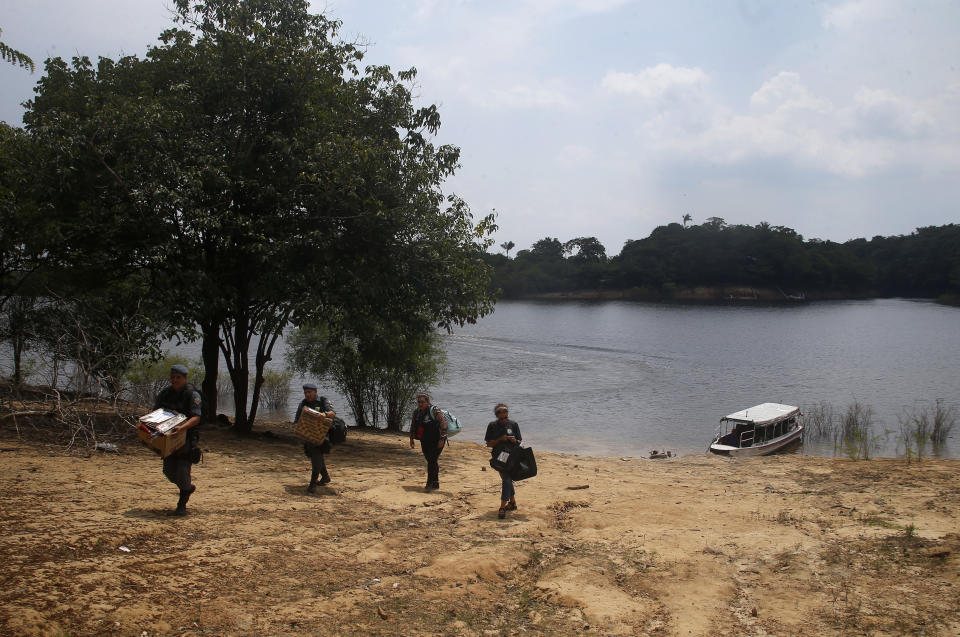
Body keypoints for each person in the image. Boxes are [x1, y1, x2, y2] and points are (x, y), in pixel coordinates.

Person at [153, 364, 203, 517]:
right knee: (168, 471)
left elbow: (196, 418)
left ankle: (181, 506)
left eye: (178, 378)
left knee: (182, 471)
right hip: (167, 439)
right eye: (173, 377)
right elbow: (156, 413)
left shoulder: (192, 395)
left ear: (185, 379)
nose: (175, 380)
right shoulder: (165, 394)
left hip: (186, 439)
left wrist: (182, 428)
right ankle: (187, 488)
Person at [294, 383, 336, 493]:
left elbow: (333, 413)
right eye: (305, 393)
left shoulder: (323, 401)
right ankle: (325, 477)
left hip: (323, 436)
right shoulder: (303, 404)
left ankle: (312, 484)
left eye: (309, 392)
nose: (307, 394)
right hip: (308, 436)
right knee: (316, 456)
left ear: (315, 392)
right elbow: (296, 422)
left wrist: (325, 414)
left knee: (316, 456)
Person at [484, 402, 522, 519]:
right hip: (500, 456)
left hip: (513, 455)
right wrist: (500, 439)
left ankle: (509, 504)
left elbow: (520, 441)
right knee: (506, 479)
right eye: (501, 416)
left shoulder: (513, 424)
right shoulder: (492, 425)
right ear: (497, 415)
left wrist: (513, 440)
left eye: (506, 415)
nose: (504, 418)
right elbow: (489, 444)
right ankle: (507, 505)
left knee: (507, 479)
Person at [408, 392, 447, 491]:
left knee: (432, 460)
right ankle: (435, 483)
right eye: (418, 402)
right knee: (430, 460)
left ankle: (429, 484)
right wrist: (411, 438)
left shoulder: (434, 411)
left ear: (428, 402)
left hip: (437, 440)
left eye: (422, 402)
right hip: (425, 440)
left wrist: (442, 439)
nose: (420, 404)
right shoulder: (417, 412)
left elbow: (444, 424)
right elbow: (413, 425)